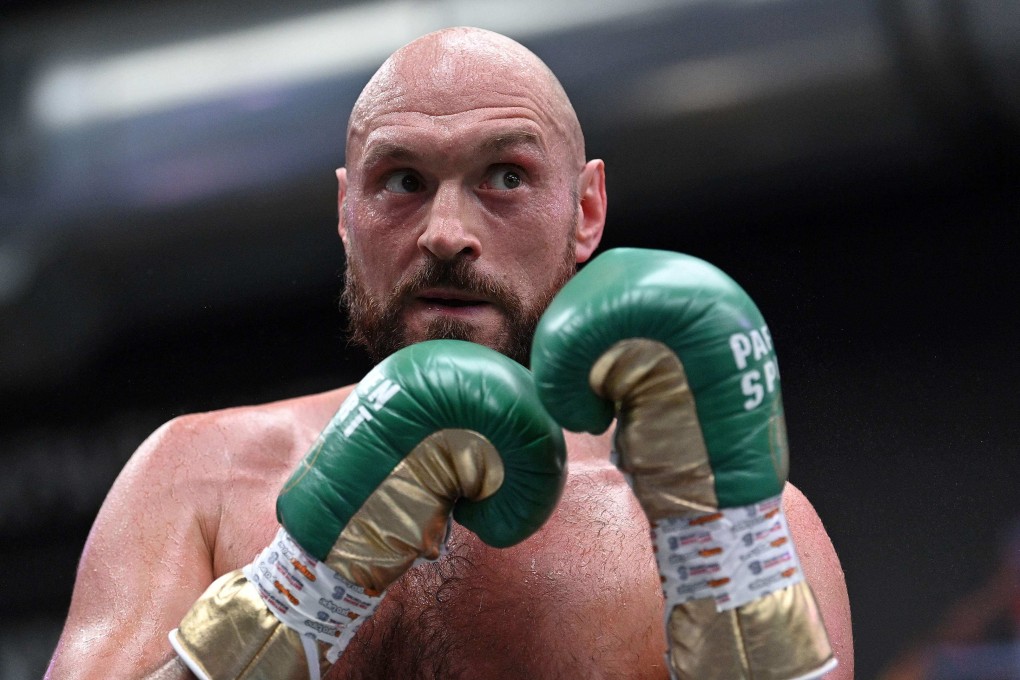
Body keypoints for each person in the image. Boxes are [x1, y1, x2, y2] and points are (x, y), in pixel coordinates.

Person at [46, 27, 853, 679]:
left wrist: (723, 564)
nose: (445, 234)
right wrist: (294, 590)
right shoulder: (201, 479)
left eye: (505, 175)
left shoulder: (732, 524)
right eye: (401, 181)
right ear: (345, 212)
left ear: (587, 210)